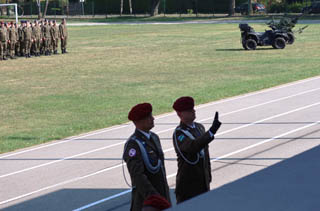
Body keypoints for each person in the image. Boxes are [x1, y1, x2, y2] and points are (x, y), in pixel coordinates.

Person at [172, 96, 221, 203]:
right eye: (189, 110)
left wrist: (208, 175)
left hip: (203, 182)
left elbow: (205, 155)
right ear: (180, 114)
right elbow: (192, 147)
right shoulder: (179, 133)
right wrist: (211, 131)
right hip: (188, 186)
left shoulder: (199, 127)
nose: (193, 111)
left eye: (193, 108)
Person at [123, 103, 171, 211]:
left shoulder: (154, 137)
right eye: (149, 117)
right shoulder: (133, 145)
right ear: (139, 122)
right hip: (147, 203)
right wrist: (155, 198)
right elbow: (138, 176)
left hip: (162, 198)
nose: (153, 118)